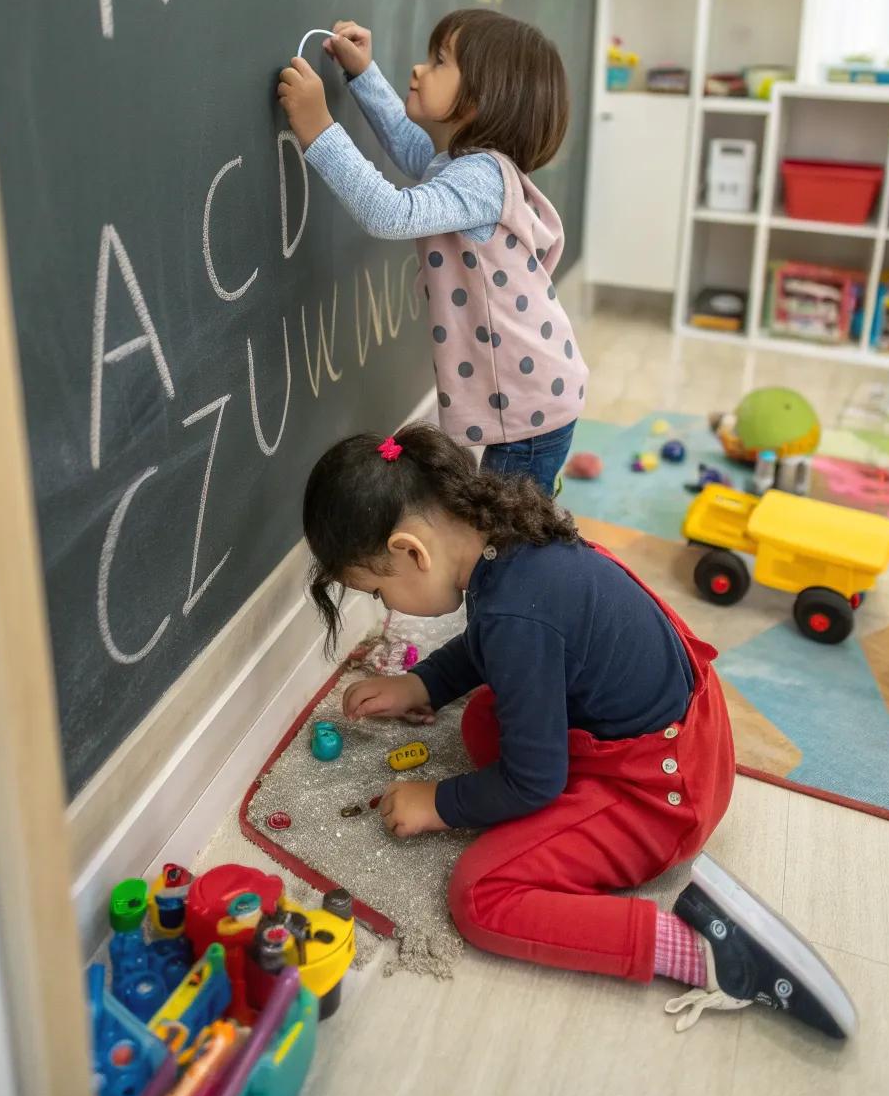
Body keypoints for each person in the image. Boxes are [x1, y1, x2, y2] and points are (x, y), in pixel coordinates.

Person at [302, 422, 856, 1039]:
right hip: (680, 735)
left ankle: (696, 950)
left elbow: (533, 780)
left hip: (665, 797)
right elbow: (491, 645)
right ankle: (579, 818)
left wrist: (440, 802)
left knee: (480, 894)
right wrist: (423, 683)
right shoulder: (505, 548)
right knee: (487, 717)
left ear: (412, 551)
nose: (387, 607)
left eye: (378, 589)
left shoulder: (515, 613)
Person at [278, 10, 587, 495]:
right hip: (533, 397)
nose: (420, 70)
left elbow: (390, 213)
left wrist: (319, 128)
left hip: (529, 410)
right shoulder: (465, 167)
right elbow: (410, 146)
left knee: (507, 536)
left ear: (482, 100)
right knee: (508, 522)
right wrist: (362, 74)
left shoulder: (482, 177)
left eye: (439, 62)